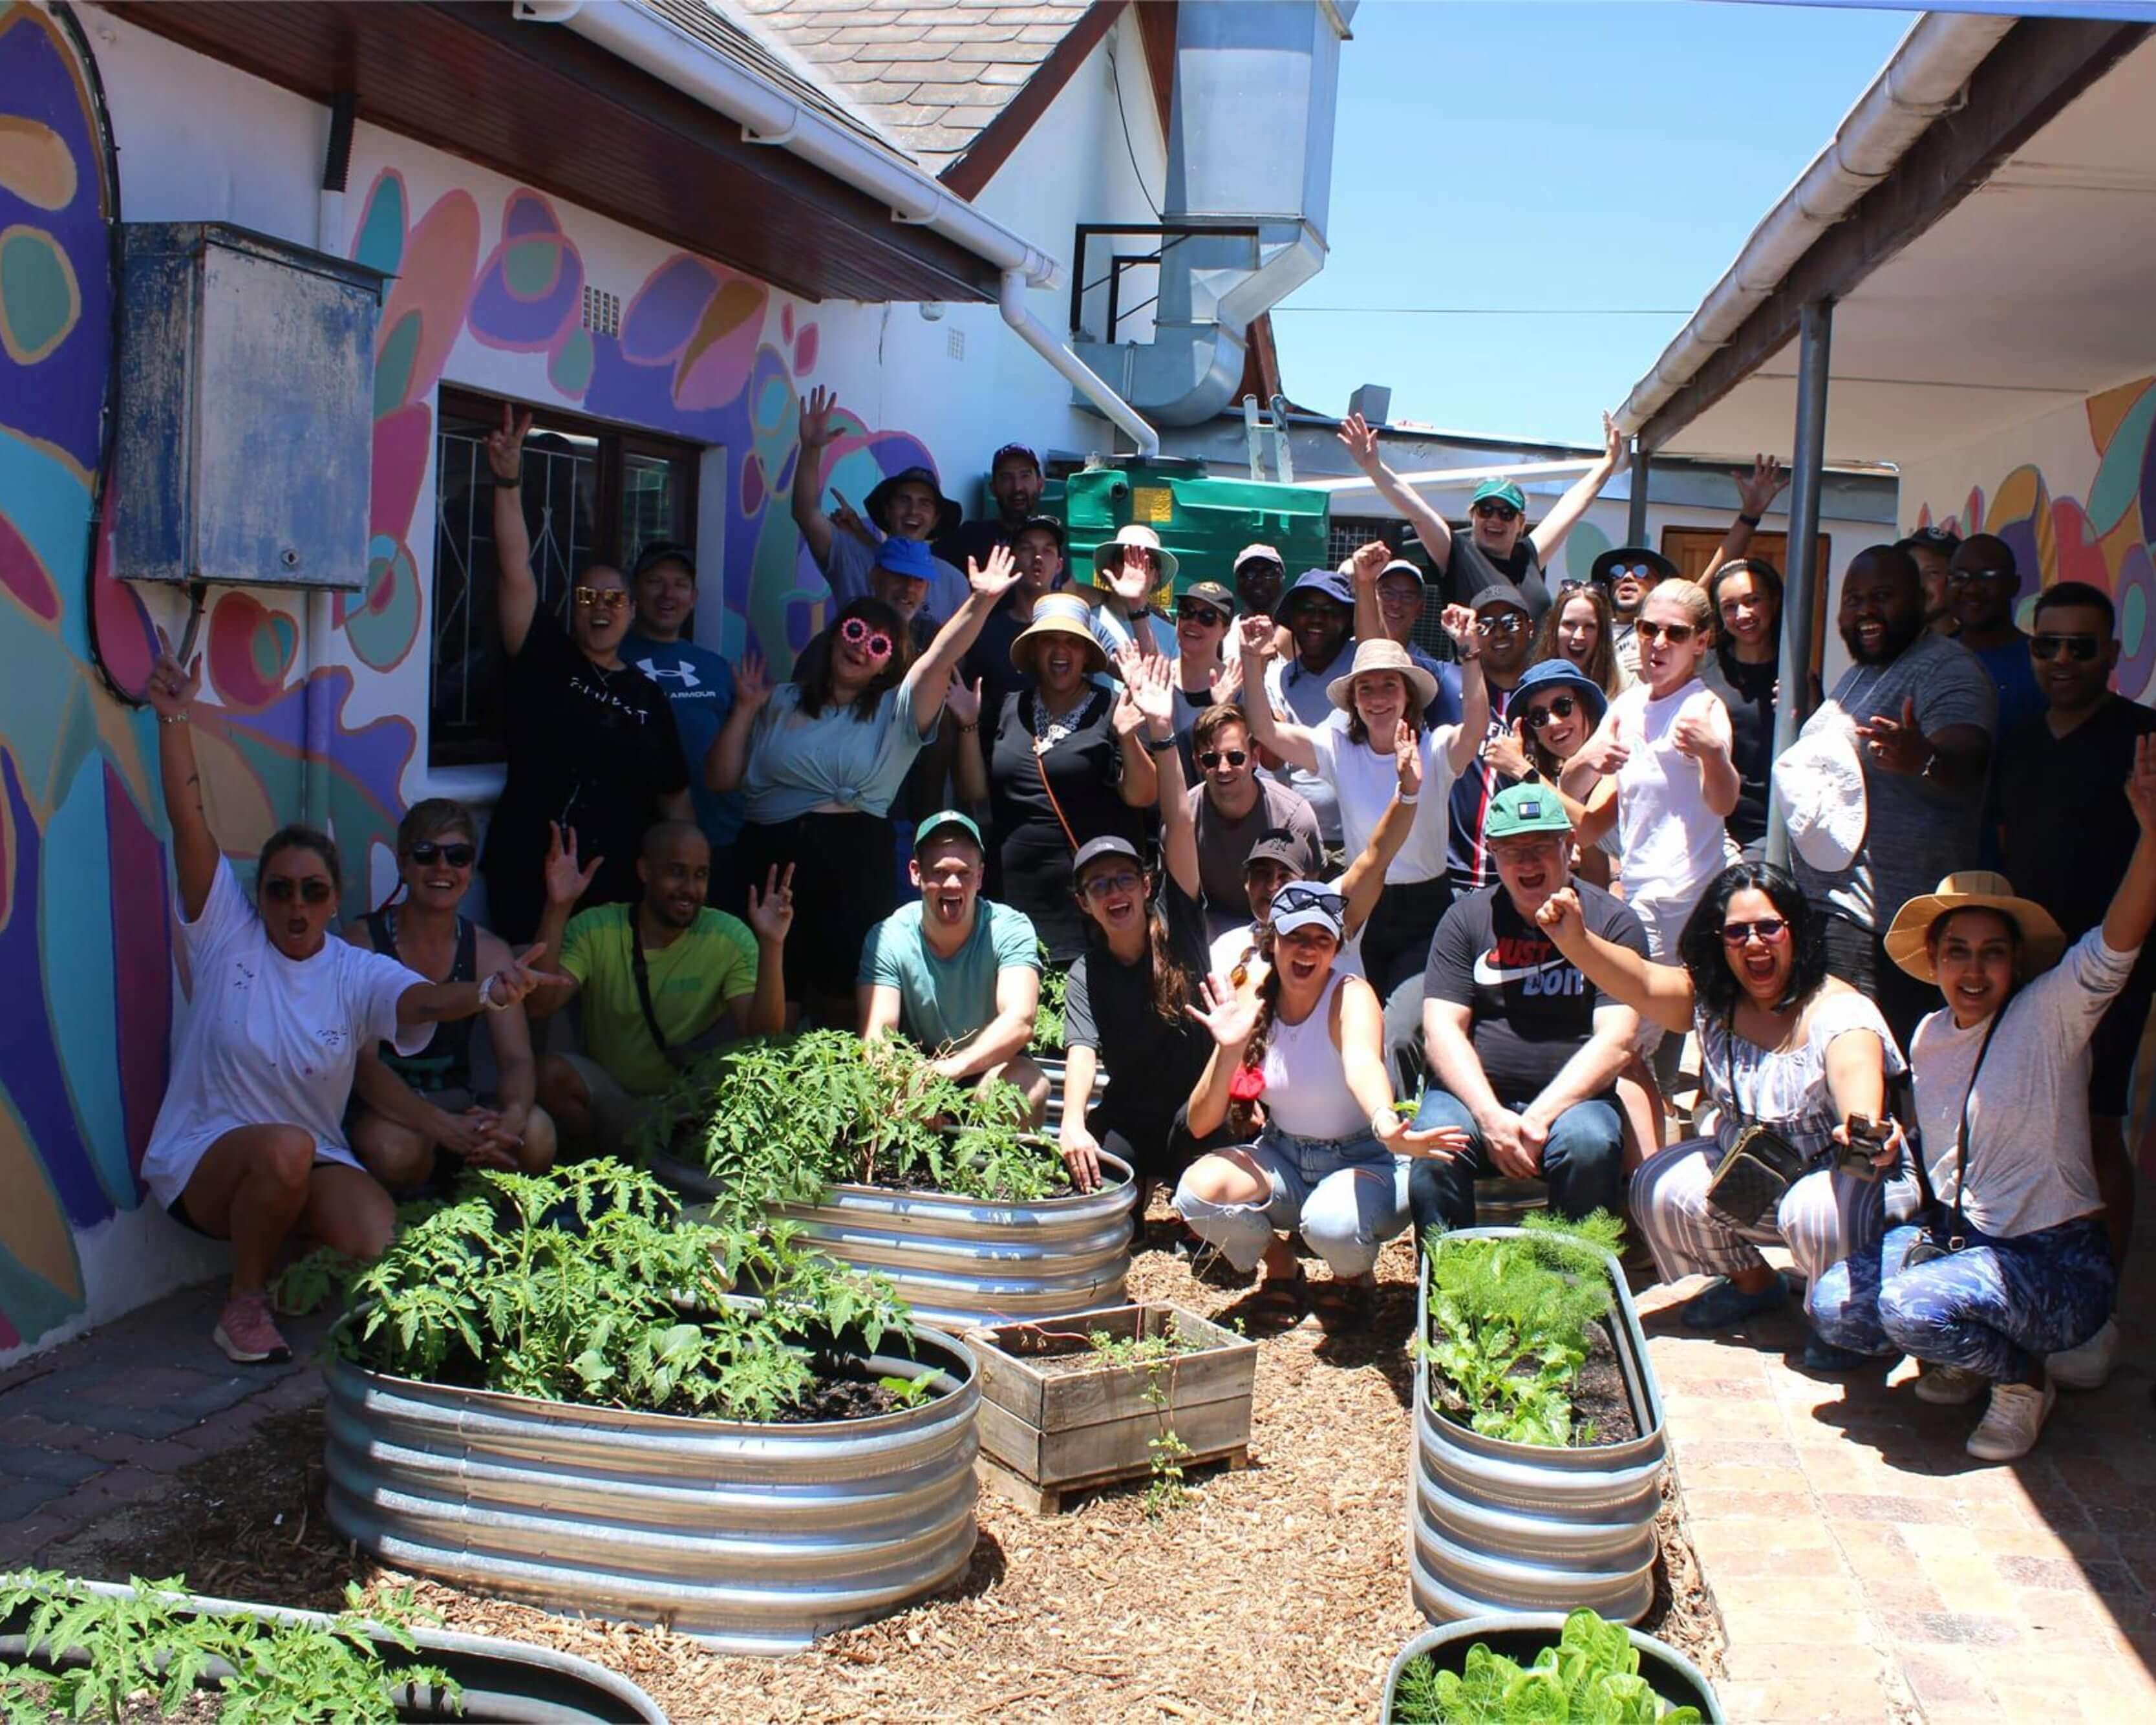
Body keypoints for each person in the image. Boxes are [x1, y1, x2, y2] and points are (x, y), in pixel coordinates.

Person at [138, 650, 554, 1365]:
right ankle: (244, 1302)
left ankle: (302, 1246)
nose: (294, 903)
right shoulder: (225, 939)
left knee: (377, 1240)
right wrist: (174, 717)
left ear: (334, 900)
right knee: (285, 1147)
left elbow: (423, 997)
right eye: (278, 889)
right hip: (205, 1161)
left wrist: (486, 992)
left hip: (311, 1161)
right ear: (258, 895)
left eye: (311, 890)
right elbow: (189, 820)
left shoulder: (353, 969)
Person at [1808, 740, 2156, 1461]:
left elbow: (2116, 941)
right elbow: (1943, 1146)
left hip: (2055, 1264)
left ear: (2016, 962)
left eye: (1990, 951)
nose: (1972, 968)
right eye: (1955, 950)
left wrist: (2153, 836)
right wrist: (1881, 1146)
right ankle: (1967, 1350)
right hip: (1962, 1240)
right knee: (1832, 1307)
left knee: (1908, 1308)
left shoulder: (2048, 1014)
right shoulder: (1931, 1032)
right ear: (1932, 960)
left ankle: (2023, 1381)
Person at [1543, 864, 1914, 1367]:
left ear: (1796, 931)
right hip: (1762, 1170)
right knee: (1661, 1184)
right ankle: (1754, 1285)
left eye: (1768, 927)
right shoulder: (1714, 1002)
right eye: (1737, 932)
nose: (1753, 943)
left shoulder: (1838, 1013)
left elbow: (1858, 1085)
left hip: (1850, 1180)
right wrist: (1576, 940)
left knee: (1813, 1209)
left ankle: (1845, 1322)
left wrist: (1863, 1126)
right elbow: (1645, 982)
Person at [710, 544, 1021, 1027]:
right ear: (835, 634)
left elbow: (939, 657)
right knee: (769, 1004)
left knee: (842, 1003)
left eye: (879, 645)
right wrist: (745, 710)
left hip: (852, 862)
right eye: (855, 632)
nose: (861, 647)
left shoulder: (897, 711)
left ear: (888, 662)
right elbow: (721, 781)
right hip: (768, 858)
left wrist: (980, 600)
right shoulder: (778, 699)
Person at [1174, 892, 1471, 1330]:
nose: (1308, 949)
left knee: (1330, 1224)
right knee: (1195, 1194)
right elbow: (1200, 1123)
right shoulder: (1252, 998)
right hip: (1285, 1155)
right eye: (1295, 936)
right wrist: (1228, 1049)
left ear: (1336, 948)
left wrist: (1386, 1122)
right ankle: (1282, 1266)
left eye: (1322, 939)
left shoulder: (1350, 994)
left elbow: (1362, 1063)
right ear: (1272, 941)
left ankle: (1350, 1278)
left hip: (1366, 1157)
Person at [1991, 580, 2156, 1354]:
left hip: (2111, 971)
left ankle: (2096, 1310)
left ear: (2110, 655)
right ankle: (2020, 1279)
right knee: (2020, 1126)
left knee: (2093, 1128)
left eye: (2078, 646)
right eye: (2045, 643)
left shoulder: (2144, 741)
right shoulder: (2016, 735)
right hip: (2020, 964)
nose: (2059, 660)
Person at [477, 405, 692, 943]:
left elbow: (674, 799)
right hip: (527, 868)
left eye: (614, 598)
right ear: (574, 608)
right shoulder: (542, 656)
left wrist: (687, 874)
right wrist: (507, 479)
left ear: (632, 610)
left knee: (602, 1010)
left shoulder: (648, 697)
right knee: (531, 1002)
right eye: (589, 597)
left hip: (614, 882)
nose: (602, 608)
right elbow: (514, 567)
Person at [1784, 544, 1996, 1050]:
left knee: (1872, 1079)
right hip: (1831, 912)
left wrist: (1924, 757)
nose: (1865, 612)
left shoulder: (1944, 669)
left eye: (1881, 596)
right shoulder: (1861, 672)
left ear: (1922, 599)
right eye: (1853, 599)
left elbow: (1969, 757)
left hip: (1885, 927)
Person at [1408, 784, 1642, 1238]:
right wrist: (1490, 1116)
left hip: (1577, 1101)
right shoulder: (1464, 919)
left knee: (1588, 1143)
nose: (1527, 862)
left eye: (1540, 846)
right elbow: (1441, 1031)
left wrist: (1539, 1118)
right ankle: (1449, 1292)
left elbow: (1617, 1041)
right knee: (1436, 1141)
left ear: (1569, 848)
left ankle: (1574, 1287)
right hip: (1472, 1096)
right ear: (1492, 855)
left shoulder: (1613, 923)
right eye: (1511, 850)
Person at [1239, 592, 1488, 996]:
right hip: (1360, 905)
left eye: (1389, 686)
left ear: (1408, 695)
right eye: (1366, 689)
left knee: (1404, 1024)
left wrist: (1471, 654)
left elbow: (1475, 728)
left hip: (1426, 907)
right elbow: (1266, 732)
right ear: (1354, 701)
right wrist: (1252, 660)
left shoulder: (1436, 748)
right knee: (1358, 1011)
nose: (1377, 699)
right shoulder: (1339, 749)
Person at [1060, 659, 1224, 1205]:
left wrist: (1160, 733)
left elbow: (1178, 821)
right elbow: (1081, 1051)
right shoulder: (1086, 972)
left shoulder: (1180, 928)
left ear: (1145, 882)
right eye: (1099, 886)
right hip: (1129, 1116)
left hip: (1195, 1116)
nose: (1114, 893)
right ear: (1083, 903)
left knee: (1208, 1211)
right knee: (1095, 1196)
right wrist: (1072, 1123)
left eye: (1124, 879)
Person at [530, 822, 792, 1154]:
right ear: (645, 871)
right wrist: (559, 906)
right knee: (548, 1075)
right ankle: (596, 1174)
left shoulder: (729, 935)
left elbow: (764, 1038)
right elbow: (539, 1005)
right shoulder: (596, 928)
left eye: (701, 875)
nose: (689, 888)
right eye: (677, 873)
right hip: (615, 1101)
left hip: (693, 1105)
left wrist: (772, 943)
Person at [345, 800, 557, 1194]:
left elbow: (516, 1059)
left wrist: (510, 1117)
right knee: (396, 1149)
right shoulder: (362, 943)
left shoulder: (488, 950)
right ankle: (409, 1233)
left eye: (457, 856)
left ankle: (492, 1234)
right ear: (404, 863)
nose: (443, 868)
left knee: (537, 1133)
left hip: (460, 1104)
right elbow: (364, 1068)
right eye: (427, 855)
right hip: (388, 1111)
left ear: (471, 869)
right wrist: (439, 1126)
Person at [984, 594, 1158, 965]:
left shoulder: (1115, 709)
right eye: (1049, 639)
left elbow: (1143, 795)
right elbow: (976, 791)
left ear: (1086, 654)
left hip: (1092, 902)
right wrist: (967, 726)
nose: (1061, 651)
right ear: (1033, 650)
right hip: (1015, 898)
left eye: (1073, 642)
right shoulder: (1007, 707)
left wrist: (1127, 737)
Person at [1576, 580, 1740, 967]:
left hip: (1693, 890)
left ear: (1700, 642)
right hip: (1640, 887)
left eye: (1676, 633)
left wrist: (1713, 753)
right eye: (1648, 629)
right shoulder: (1627, 705)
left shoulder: (1704, 707)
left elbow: (1723, 803)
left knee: (1648, 1015)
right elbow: (1573, 788)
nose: (1658, 642)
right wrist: (1587, 761)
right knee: (1645, 1014)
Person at [1334, 409, 1627, 622]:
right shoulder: (1458, 553)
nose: (1495, 520)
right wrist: (1373, 466)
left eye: (1506, 513)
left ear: (1521, 523)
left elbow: (1571, 507)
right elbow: (1417, 512)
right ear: (1472, 516)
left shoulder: (1529, 556)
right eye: (1485, 510)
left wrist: (1607, 464)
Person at [860, 811, 1048, 1120]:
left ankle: (995, 1167)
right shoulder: (888, 937)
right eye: (939, 872)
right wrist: (911, 1085)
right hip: (918, 1071)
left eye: (963, 873)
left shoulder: (1009, 928)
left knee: (1028, 1086)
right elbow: (877, 1040)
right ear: (915, 873)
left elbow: (1020, 1019)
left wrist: (952, 1068)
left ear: (980, 876)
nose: (952, 884)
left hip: (991, 1065)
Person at [620, 541, 744, 906]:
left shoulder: (717, 668)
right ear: (635, 593)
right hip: (639, 839)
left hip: (716, 837)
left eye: (679, 584)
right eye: (655, 581)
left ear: (694, 597)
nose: (667, 594)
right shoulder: (613, 658)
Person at [792, 386, 970, 624]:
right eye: (904, 500)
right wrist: (811, 450)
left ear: (937, 518)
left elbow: (959, 657)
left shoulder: (954, 582)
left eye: (924, 503)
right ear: (887, 510)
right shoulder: (852, 556)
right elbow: (806, 514)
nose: (913, 511)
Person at [1186, 702, 1323, 940]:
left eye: (1235, 757)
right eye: (1210, 760)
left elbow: (1308, 898)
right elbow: (1181, 905)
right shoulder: (1184, 820)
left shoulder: (1294, 818)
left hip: (1282, 930)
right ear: (1198, 762)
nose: (1223, 768)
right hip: (1212, 932)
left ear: (1255, 757)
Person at [1446, 579, 1539, 897]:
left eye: (1510, 622)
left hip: (1524, 880)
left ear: (1530, 627)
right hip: (1451, 879)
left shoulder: (1549, 696)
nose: (1499, 633)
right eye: (1485, 625)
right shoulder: (1448, 683)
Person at [1263, 568, 1359, 849]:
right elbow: (1272, 762)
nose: (1317, 619)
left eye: (1330, 610)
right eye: (1306, 609)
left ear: (1345, 620)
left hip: (1351, 839)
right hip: (1291, 838)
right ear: (1292, 618)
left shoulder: (1360, 670)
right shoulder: (1276, 678)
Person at [958, 513, 1068, 759]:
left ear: (1060, 565)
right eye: (1027, 549)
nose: (1038, 558)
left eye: (1047, 550)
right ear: (1012, 559)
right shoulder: (985, 630)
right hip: (997, 766)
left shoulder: (1078, 628)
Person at [1702, 558, 1782, 857]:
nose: (1743, 614)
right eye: (1730, 606)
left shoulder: (1795, 674)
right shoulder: (1702, 669)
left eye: (1753, 601)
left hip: (1770, 828)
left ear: (1774, 602)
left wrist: (1807, 706)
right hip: (1709, 824)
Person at [1948, 533, 2044, 739]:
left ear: (2014, 585)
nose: (1972, 589)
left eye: (1988, 577)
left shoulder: (2041, 662)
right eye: (1960, 578)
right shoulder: (1930, 659)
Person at [1168, 581, 1243, 778]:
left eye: (1207, 618)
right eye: (1186, 612)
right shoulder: (1158, 678)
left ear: (1225, 630)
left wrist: (1222, 709)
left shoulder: (1238, 686)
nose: (1193, 622)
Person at [938, 442, 1045, 570]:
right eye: (1006, 478)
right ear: (993, 488)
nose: (1017, 487)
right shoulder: (970, 537)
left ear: (1040, 484)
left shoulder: (1050, 539)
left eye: (1025, 476)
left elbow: (1068, 588)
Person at [1589, 546, 1679, 686]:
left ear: (1658, 586)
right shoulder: (1592, 630)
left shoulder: (1665, 637)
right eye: (1617, 571)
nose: (1627, 577)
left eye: (1641, 571)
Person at [1083, 524, 1174, 661]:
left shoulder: (1172, 635)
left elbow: (1157, 678)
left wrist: (1136, 605)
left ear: (1156, 576)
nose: (1135, 568)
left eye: (1147, 562)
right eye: (1124, 559)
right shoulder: (1085, 621)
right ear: (1110, 567)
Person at [1530, 580, 1626, 701]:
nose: (1578, 636)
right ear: (1554, 628)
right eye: (1570, 625)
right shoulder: (1532, 688)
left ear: (1602, 634)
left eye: (1589, 627)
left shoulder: (1623, 692)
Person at [1896, 524, 1961, 638]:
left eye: (1932, 573)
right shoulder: (1892, 647)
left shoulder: (1970, 650)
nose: (1919, 583)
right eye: (1912, 571)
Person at [1233, 543, 1286, 621]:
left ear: (1282, 578)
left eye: (1268, 572)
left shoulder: (1300, 631)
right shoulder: (1224, 632)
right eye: (1249, 573)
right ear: (1238, 582)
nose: (1259, 580)